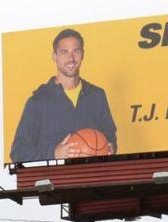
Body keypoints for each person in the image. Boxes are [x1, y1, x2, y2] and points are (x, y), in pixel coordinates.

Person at [10, 28, 117, 163]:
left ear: (82, 54)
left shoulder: (97, 96)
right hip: (58, 180)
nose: (71, 58)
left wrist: (109, 146)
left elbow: (109, 135)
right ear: (54, 57)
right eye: (64, 52)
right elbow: (18, 152)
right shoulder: (38, 101)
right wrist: (53, 153)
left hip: (93, 177)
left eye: (76, 51)